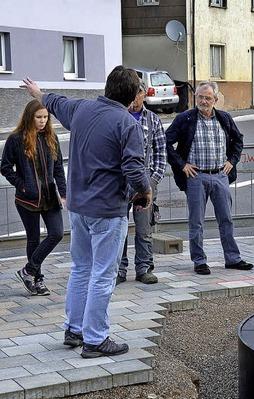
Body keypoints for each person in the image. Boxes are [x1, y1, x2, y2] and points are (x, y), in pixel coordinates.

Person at [21, 66, 151, 359]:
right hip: (107, 210)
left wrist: (38, 92)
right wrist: (146, 191)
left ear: (107, 88)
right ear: (132, 97)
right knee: (103, 275)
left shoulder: (81, 110)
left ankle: (74, 329)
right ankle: (95, 339)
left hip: (78, 208)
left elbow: (54, 101)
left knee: (81, 269)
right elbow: (133, 168)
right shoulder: (127, 123)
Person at [166, 81, 253, 274]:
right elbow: (165, 142)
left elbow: (238, 140)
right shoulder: (185, 119)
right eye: (200, 97)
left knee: (226, 219)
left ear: (215, 99)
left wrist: (232, 160)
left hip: (220, 175)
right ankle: (199, 260)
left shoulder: (224, 118)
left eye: (207, 98)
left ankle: (233, 258)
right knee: (196, 222)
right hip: (196, 177)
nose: (203, 101)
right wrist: (182, 165)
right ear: (195, 97)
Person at [1, 100, 66, 297]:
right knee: (34, 239)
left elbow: (58, 169)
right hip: (26, 199)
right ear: (30, 117)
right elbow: (5, 166)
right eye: (39, 117)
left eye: (45, 117)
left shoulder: (51, 138)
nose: (42, 121)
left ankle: (28, 271)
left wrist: (63, 193)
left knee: (57, 233)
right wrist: (22, 184)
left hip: (49, 196)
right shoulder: (16, 139)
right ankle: (37, 280)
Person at [117, 80, 167, 285]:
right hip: (119, 179)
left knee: (144, 227)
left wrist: (154, 179)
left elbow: (160, 151)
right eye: (132, 93)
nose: (134, 98)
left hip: (145, 178)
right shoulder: (119, 117)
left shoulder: (153, 119)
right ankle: (119, 269)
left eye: (138, 93)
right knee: (119, 227)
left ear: (143, 95)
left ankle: (144, 267)